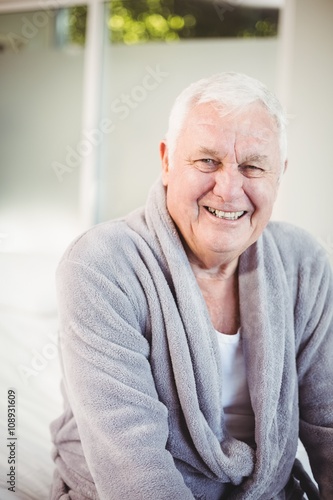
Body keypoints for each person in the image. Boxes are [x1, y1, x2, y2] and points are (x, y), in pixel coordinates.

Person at [50, 72, 333, 499]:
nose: (229, 189)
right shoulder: (101, 265)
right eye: (207, 161)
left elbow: (328, 424)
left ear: (280, 174)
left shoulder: (304, 263)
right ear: (166, 162)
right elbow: (132, 467)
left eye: (253, 167)